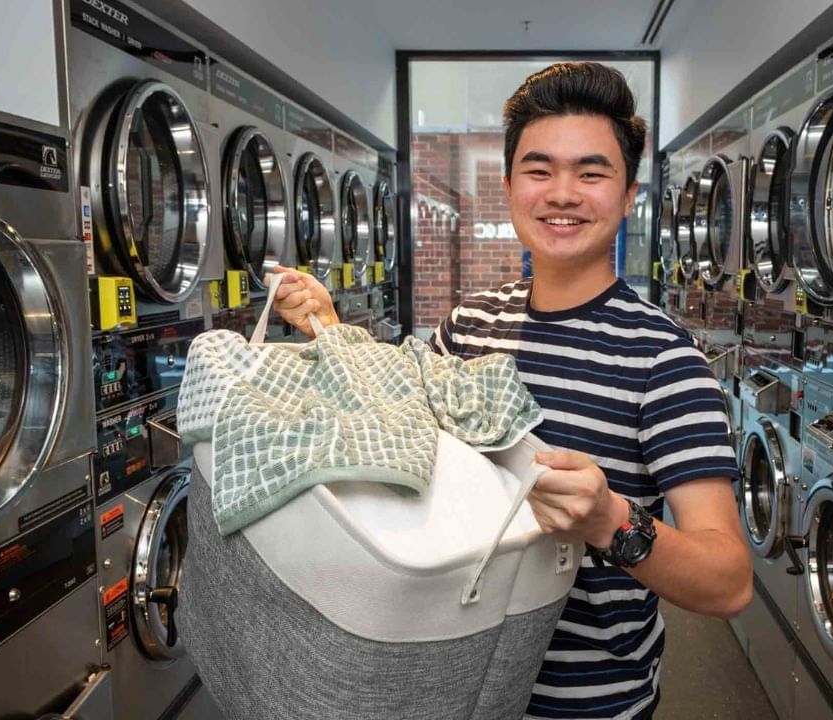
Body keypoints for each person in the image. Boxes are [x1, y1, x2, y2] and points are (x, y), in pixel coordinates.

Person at [270, 62, 751, 720]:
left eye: (591, 171)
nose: (562, 193)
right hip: (445, 682)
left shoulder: (664, 360)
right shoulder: (472, 323)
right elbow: (396, 422)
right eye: (539, 169)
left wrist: (609, 521)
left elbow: (728, 581)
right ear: (508, 187)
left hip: (584, 706)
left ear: (630, 195)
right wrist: (327, 326)